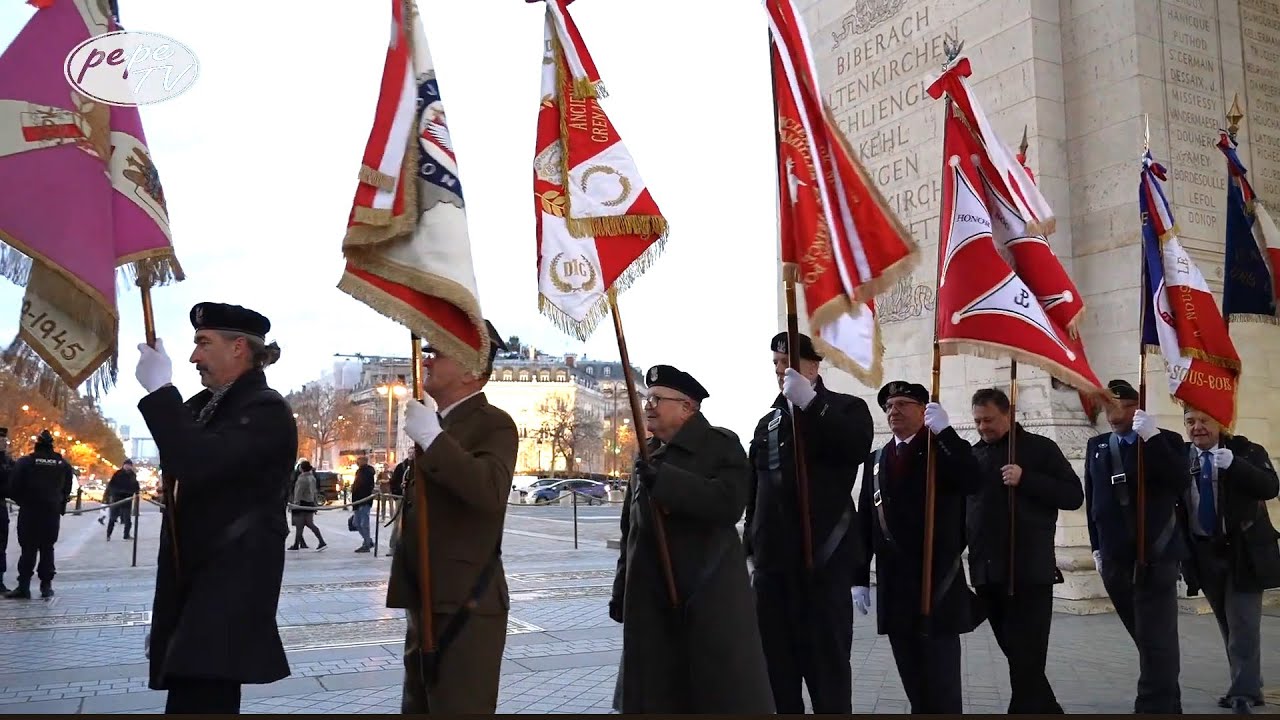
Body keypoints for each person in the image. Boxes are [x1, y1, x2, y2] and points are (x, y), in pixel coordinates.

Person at [134, 301, 297, 713]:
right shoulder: (208, 406)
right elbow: (181, 451)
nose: (194, 357)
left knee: (203, 701)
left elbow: (195, 461)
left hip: (229, 587)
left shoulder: (265, 408)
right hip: (199, 583)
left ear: (239, 347)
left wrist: (160, 392)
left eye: (203, 343)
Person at [610, 364, 774, 714]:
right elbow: (632, 529)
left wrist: (666, 481)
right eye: (646, 398)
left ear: (687, 407)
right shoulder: (647, 451)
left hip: (705, 598)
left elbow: (729, 503)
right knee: (655, 695)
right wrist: (621, 587)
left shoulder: (720, 445)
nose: (648, 406)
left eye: (657, 399)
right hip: (650, 601)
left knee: (707, 695)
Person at [390, 321, 518, 713]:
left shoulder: (493, 422)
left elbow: (490, 491)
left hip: (467, 600)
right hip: (427, 594)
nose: (426, 361)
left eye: (438, 353)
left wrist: (434, 439)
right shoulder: (443, 423)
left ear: (470, 370)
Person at [745, 332, 872, 713]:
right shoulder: (768, 422)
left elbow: (854, 447)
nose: (781, 369)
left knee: (827, 676)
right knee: (777, 678)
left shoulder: (847, 408)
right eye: (776, 362)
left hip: (823, 566)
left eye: (789, 361)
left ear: (813, 366)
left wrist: (812, 405)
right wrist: (751, 546)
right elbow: (757, 490)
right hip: (773, 572)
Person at [853, 381, 983, 714]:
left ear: (924, 411)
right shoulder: (877, 460)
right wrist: (857, 577)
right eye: (889, 406)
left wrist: (947, 433)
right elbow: (867, 519)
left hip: (935, 583)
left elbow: (972, 479)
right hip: (895, 589)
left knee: (942, 686)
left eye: (902, 404)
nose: (893, 411)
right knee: (914, 684)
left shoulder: (943, 450)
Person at [968, 387, 1082, 713]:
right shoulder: (975, 456)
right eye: (977, 421)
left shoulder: (1039, 449)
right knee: (1019, 659)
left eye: (989, 420)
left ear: (1008, 414)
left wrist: (1027, 479)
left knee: (1026, 658)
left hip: (1029, 573)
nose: (982, 427)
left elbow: (1073, 496)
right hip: (988, 575)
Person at [1083, 379, 1189, 714]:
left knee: (1157, 637)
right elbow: (1094, 500)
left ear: (1136, 406)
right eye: (1108, 407)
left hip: (1155, 556)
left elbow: (1178, 481)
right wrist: (1096, 547)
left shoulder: (1164, 441)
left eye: (1122, 406)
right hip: (1115, 559)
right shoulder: (1097, 446)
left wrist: (1152, 439)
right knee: (1144, 637)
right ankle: (1168, 701)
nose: (1113, 414)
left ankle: (1152, 706)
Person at [1178, 405, 1280, 714]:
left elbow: (1270, 487)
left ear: (1221, 423)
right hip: (1204, 553)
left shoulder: (1246, 450)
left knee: (1243, 624)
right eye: (1190, 421)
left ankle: (1243, 693)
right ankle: (1249, 685)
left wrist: (1236, 465)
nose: (1197, 427)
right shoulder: (1183, 456)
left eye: (1204, 421)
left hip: (1243, 551)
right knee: (1227, 624)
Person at [3, 429, 73, 600]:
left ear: (37, 444)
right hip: (51, 513)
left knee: (28, 549)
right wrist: (59, 504)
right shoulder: (62, 464)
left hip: (30, 512)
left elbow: (13, 486)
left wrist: (23, 501)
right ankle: (46, 586)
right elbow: (67, 489)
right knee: (48, 549)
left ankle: (24, 586)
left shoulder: (26, 462)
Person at [290, 461, 325, 551]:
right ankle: (320, 541)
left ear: (301, 468)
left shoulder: (302, 479)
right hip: (310, 502)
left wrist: (295, 503)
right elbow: (314, 491)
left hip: (302, 503)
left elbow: (298, 492)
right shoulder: (312, 477)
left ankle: (296, 544)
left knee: (299, 525)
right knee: (309, 523)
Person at [105, 459, 140, 541]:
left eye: (129, 465)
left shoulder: (132, 475)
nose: (128, 467)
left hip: (127, 499)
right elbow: (111, 485)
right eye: (127, 465)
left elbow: (135, 484)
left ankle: (126, 535)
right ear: (123, 465)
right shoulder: (118, 474)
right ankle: (108, 534)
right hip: (117, 499)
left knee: (128, 519)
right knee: (113, 518)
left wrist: (137, 491)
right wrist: (113, 493)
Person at [351, 457, 376, 552]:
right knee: (356, 523)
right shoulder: (359, 472)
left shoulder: (367, 472)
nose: (357, 462)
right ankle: (368, 541)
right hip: (358, 501)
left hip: (364, 500)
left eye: (359, 461)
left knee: (363, 523)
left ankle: (367, 544)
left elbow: (364, 486)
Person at [0, 427, 12, 593]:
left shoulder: (6, 460)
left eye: (4, 440)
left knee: (1, 544)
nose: (3, 443)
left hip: (1, 506)